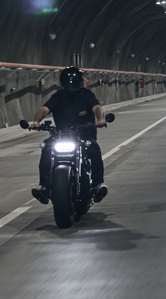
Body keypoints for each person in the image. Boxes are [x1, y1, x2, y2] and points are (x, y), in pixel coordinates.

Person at [30, 66, 108, 204]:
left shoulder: (86, 95)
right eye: (68, 83)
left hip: (84, 135)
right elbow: (44, 109)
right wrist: (36, 121)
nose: (71, 86)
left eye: (74, 83)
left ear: (80, 83)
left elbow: (96, 107)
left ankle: (97, 184)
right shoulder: (59, 96)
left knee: (94, 149)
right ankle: (44, 187)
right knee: (46, 149)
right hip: (61, 135)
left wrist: (100, 119)